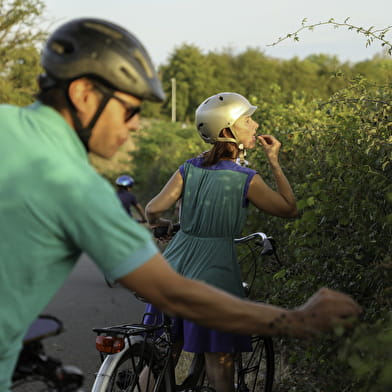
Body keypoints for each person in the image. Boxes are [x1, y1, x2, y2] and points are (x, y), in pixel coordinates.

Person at [0, 18, 360, 392]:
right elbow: (175, 293)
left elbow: (155, 210)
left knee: (161, 346)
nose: (137, 126)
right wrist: (298, 320)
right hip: (212, 269)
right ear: (84, 93)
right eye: (129, 109)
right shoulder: (78, 189)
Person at [143, 91, 301, 391]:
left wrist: (160, 225)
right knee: (220, 361)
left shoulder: (187, 169)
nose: (255, 125)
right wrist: (274, 162)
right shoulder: (245, 178)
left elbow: (152, 209)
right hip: (214, 271)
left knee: (162, 357)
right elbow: (289, 209)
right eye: (248, 120)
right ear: (229, 131)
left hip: (172, 266)